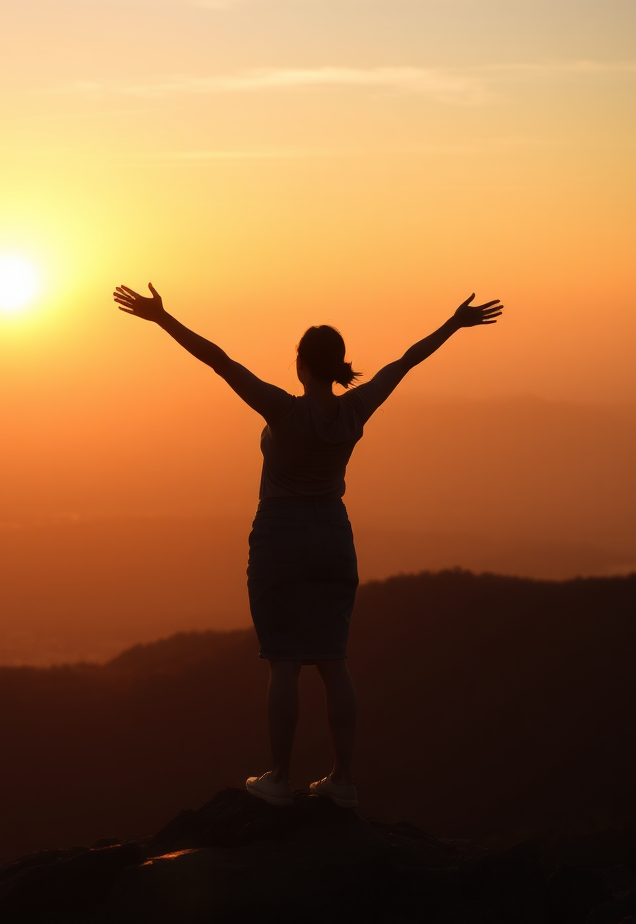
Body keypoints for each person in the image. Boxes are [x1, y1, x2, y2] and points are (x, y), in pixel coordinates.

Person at [112, 283, 502, 808]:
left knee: (284, 662)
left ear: (301, 364)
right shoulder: (354, 410)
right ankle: (343, 780)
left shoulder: (284, 411)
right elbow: (406, 361)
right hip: (334, 536)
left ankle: (279, 777)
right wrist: (454, 323)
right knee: (334, 662)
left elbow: (219, 361)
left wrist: (163, 318)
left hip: (281, 537)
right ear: (337, 364)